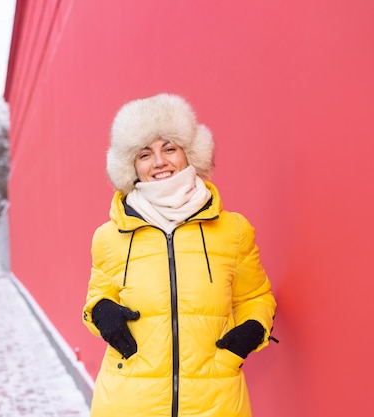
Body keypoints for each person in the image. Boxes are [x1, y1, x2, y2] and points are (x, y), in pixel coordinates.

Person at [82, 93, 277, 417]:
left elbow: (257, 297)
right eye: (145, 154)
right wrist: (101, 311)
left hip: (215, 401)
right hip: (128, 401)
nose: (159, 162)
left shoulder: (234, 230)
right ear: (132, 166)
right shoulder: (109, 236)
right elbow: (96, 298)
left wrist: (250, 332)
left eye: (169, 148)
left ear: (190, 154)